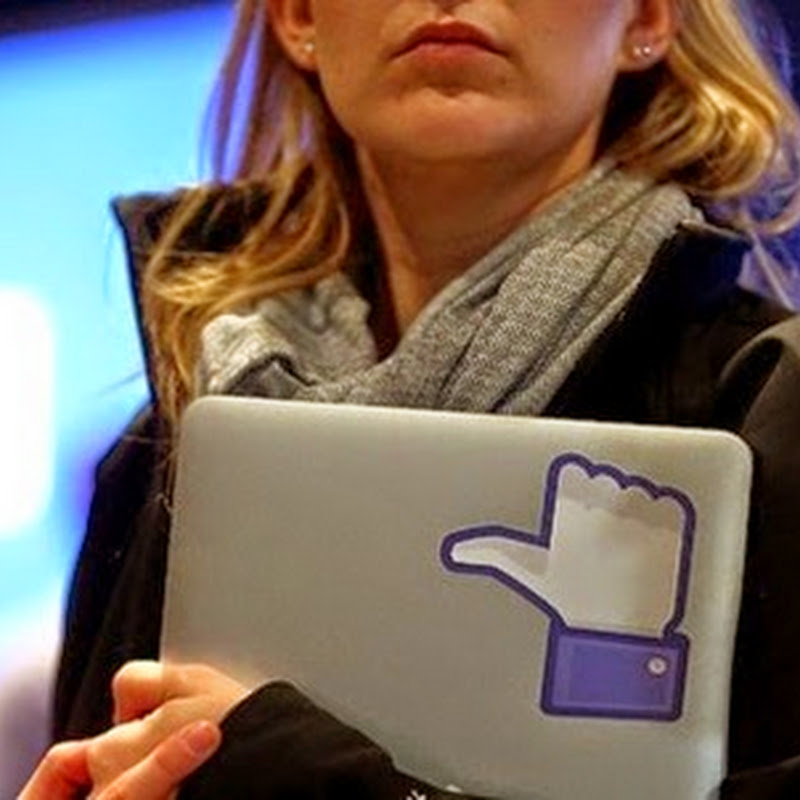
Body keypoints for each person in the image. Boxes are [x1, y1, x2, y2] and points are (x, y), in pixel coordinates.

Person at [20, 0, 800, 797]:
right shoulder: (169, 441)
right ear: (298, 18)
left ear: (647, 20)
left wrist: (306, 778)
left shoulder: (767, 401)